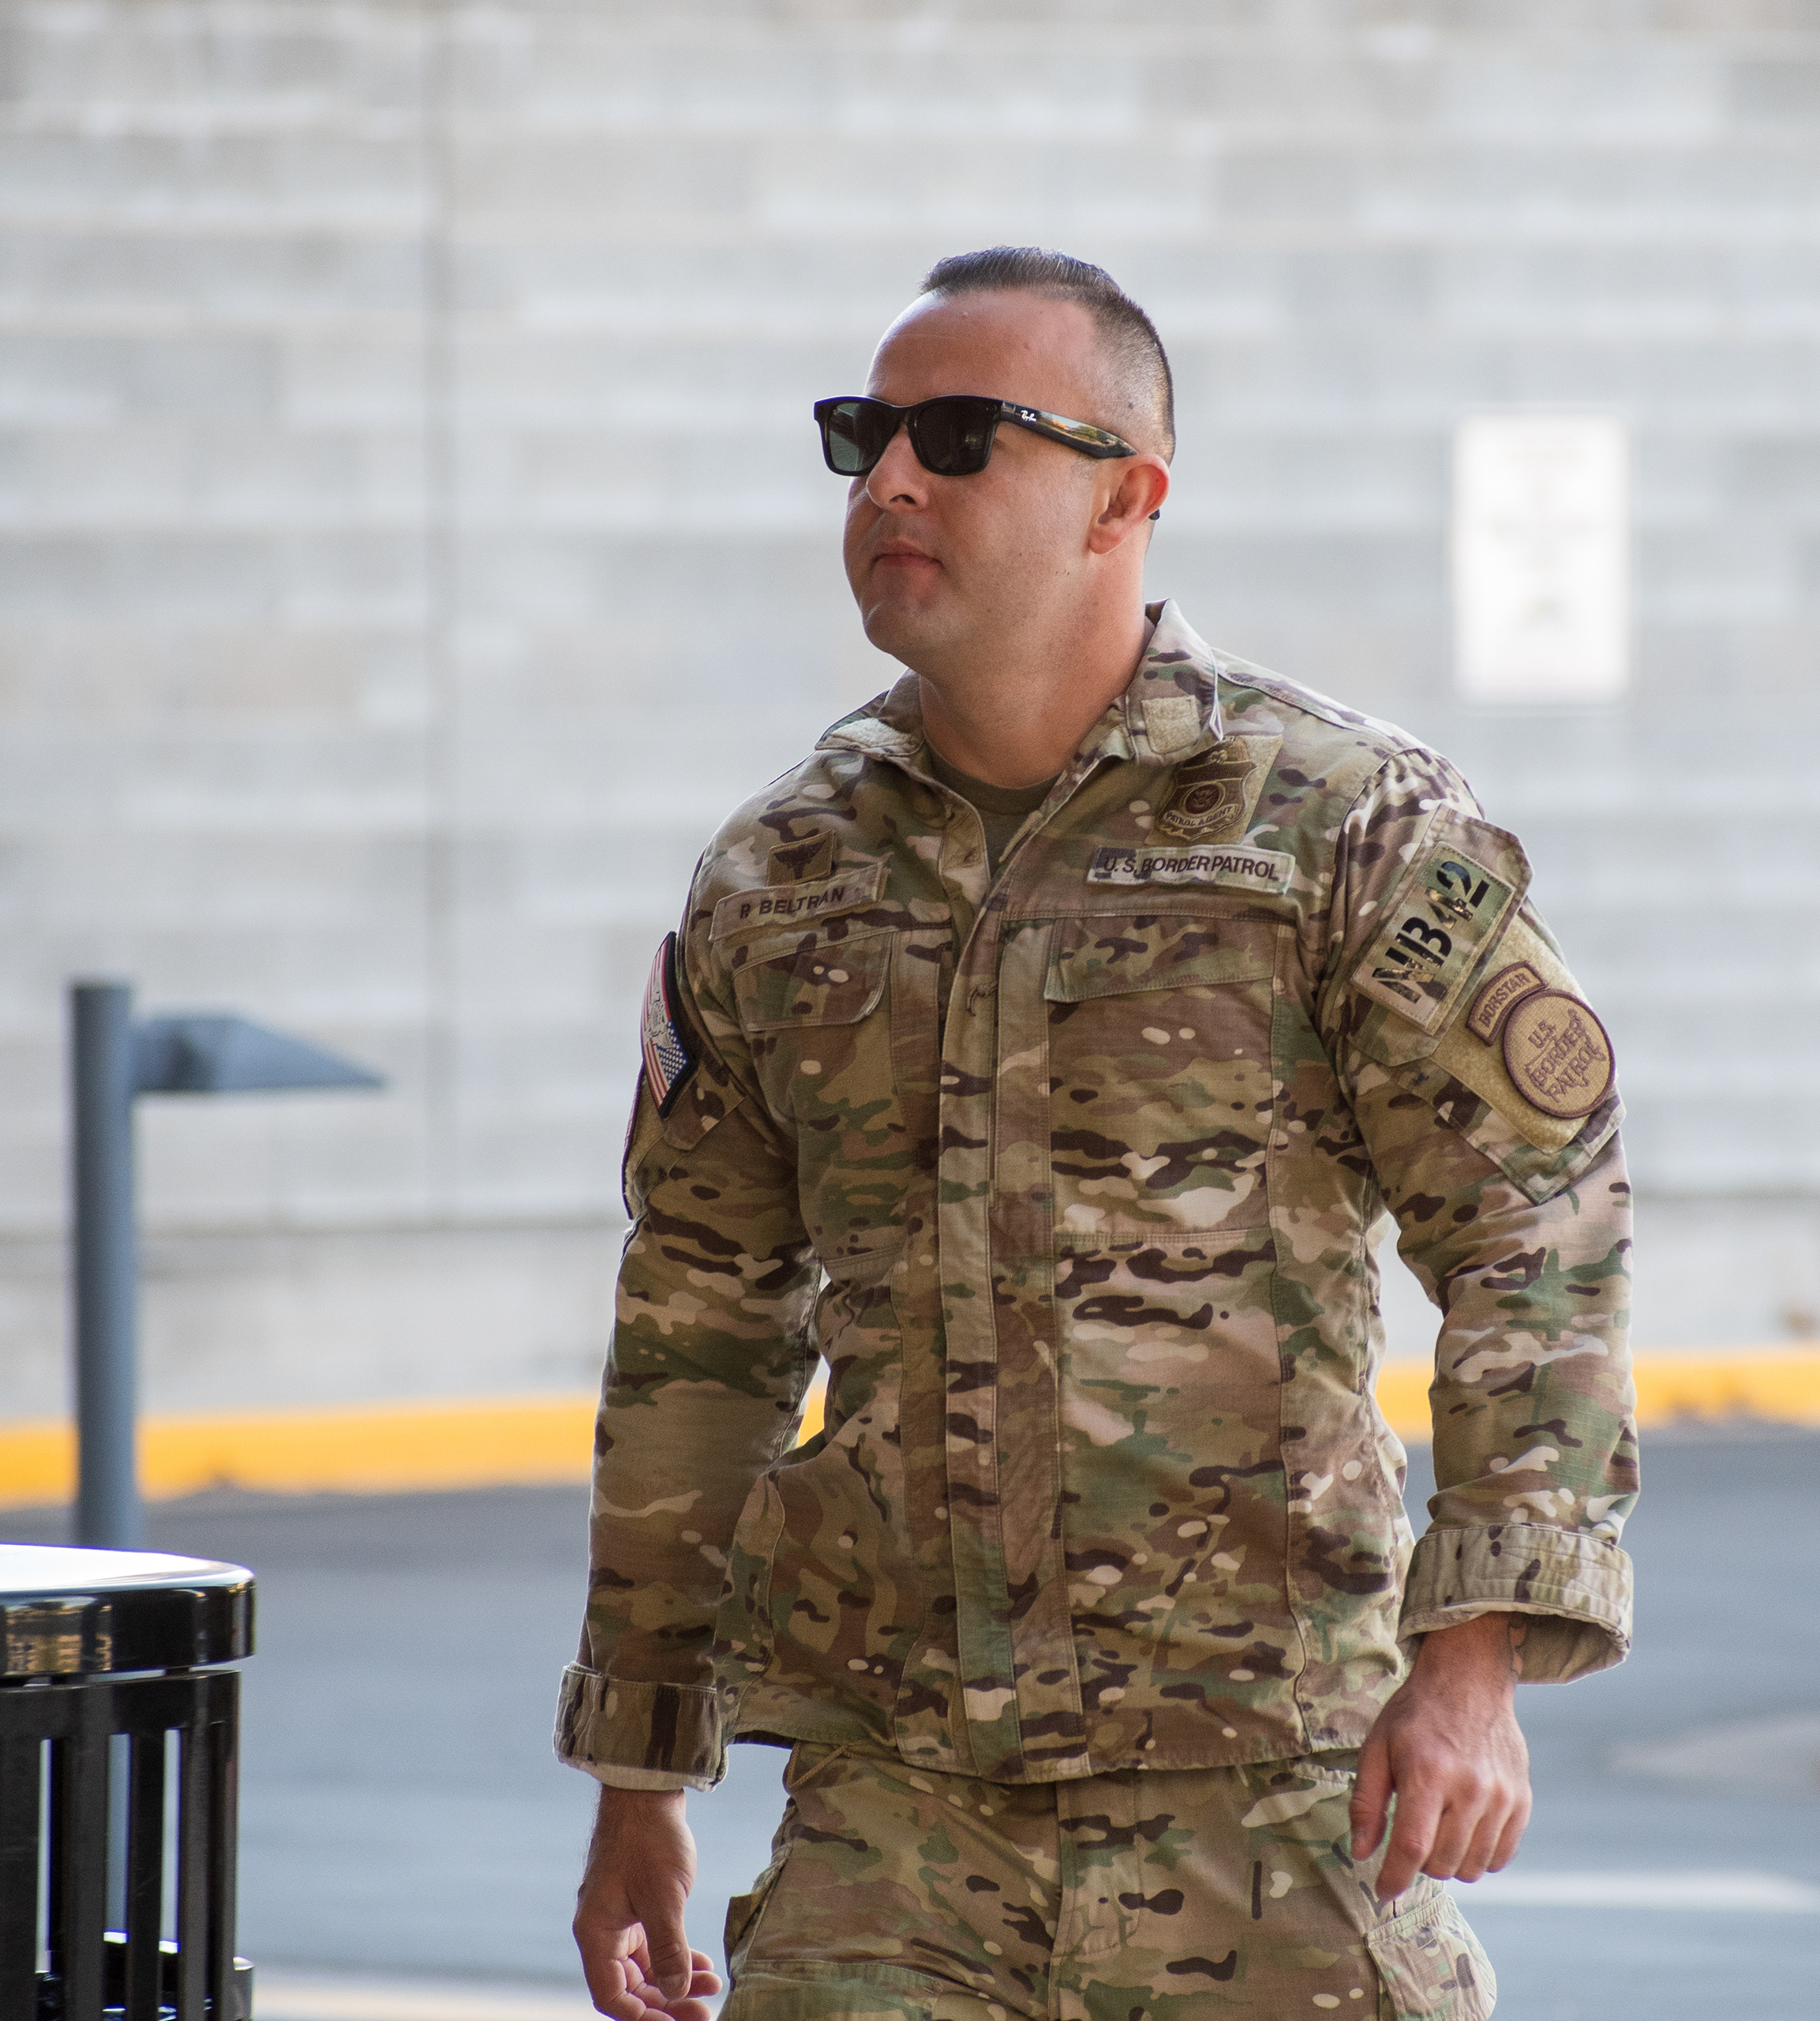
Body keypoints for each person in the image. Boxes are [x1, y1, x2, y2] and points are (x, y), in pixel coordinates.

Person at [559, 246, 1638, 2021]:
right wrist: (640, 1775)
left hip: (1273, 1798)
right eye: (868, 435)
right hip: (892, 1809)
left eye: (964, 436)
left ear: (1126, 496)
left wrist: (1473, 1662)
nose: (894, 479)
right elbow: (699, 1328)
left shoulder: (1339, 828)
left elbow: (1536, 1223)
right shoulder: (781, 878)